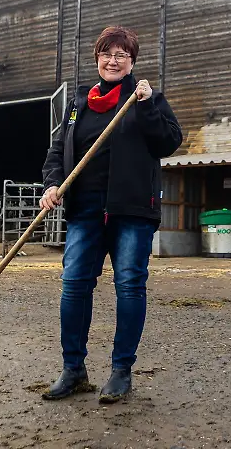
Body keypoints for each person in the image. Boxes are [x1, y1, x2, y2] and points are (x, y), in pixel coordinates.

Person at [39, 25, 182, 404]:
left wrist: (148, 104)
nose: (113, 60)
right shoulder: (78, 105)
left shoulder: (145, 98)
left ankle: (121, 371)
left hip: (131, 210)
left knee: (130, 285)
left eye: (121, 55)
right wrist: (52, 184)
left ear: (132, 61)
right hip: (85, 210)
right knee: (73, 286)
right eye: (107, 53)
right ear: (97, 59)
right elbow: (57, 153)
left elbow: (168, 141)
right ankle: (73, 369)